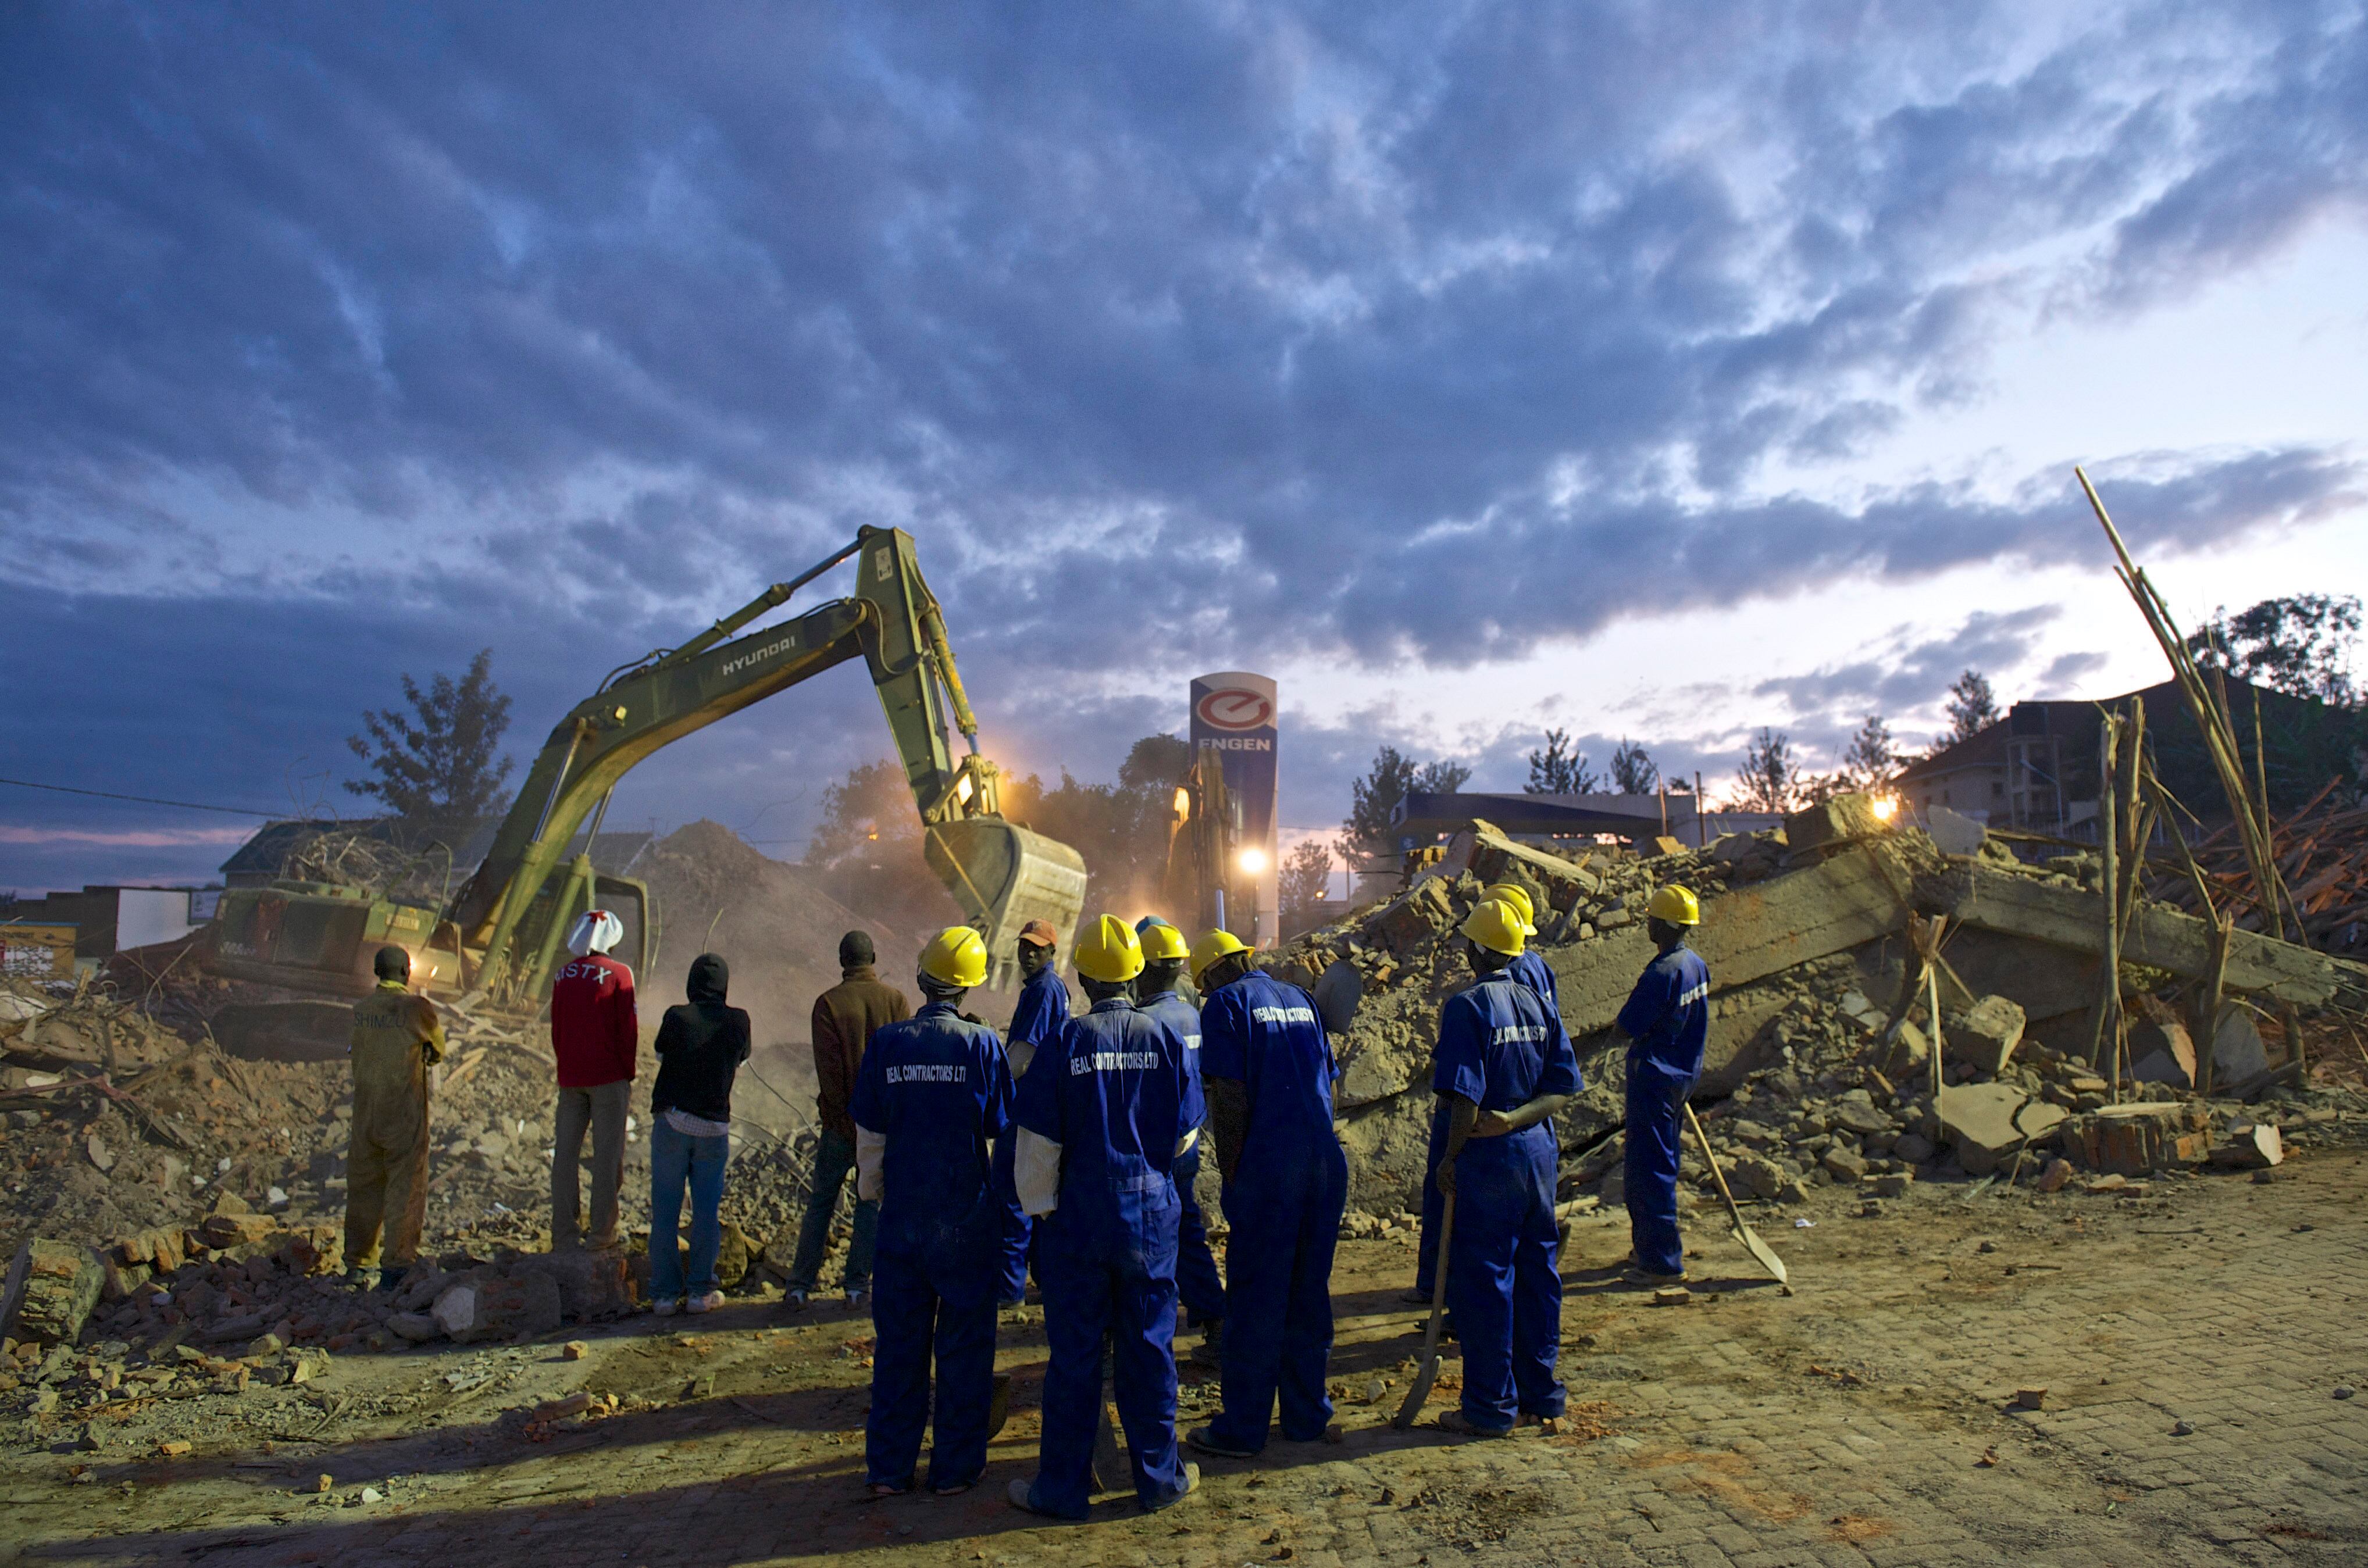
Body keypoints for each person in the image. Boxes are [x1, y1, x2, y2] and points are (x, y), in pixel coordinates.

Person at [1008, 916, 1201, 1520]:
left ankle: (1061, 1491)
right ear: (1134, 975)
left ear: (1085, 979)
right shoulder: (1163, 1037)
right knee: (1150, 1349)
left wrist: (1045, 1214)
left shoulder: (1064, 1042)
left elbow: (1037, 1149)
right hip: (1150, 1219)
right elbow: (1184, 1136)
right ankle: (1160, 1481)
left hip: (1080, 1221)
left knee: (1075, 1357)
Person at [853, 926, 1012, 1497]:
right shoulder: (982, 1044)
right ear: (967, 988)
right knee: (965, 1349)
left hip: (902, 1219)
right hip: (965, 1218)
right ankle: (956, 1470)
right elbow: (998, 1124)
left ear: (921, 979)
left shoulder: (888, 1043)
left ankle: (889, 1471)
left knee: (899, 1349)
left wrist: (877, 1193)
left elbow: (870, 1134)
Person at [1185, 928, 1347, 1460]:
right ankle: (1306, 1416)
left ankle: (1243, 1428)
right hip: (1323, 1160)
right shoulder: (1300, 997)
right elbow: (1330, 1081)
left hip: (1270, 1166)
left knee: (1256, 1297)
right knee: (1308, 1291)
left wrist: (1233, 1169)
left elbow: (1229, 1097)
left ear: (1212, 973)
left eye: (1204, 985)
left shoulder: (1226, 1006)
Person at [1431, 898, 1582, 1437]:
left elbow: (1464, 1099)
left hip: (1490, 1160)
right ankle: (1541, 1394)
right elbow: (1562, 1088)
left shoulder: (1468, 1006)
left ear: (1476, 950)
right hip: (1537, 1153)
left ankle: (1490, 1406)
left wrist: (1450, 1158)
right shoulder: (1538, 1002)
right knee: (1539, 1273)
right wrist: (1518, 1119)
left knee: (1486, 1279)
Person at [1412, 880, 1556, 1305]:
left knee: (1477, 1234)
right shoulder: (1538, 972)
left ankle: (1449, 1296)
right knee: (1527, 1247)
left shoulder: (1484, 996)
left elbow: (1468, 1082)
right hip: (1528, 1115)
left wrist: (1454, 1149)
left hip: (1485, 1117)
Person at [785, 931, 910, 1310]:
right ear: (873, 958)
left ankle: (800, 1285)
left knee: (821, 1202)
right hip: (881, 1126)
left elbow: (830, 1073)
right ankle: (857, 1286)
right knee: (869, 1203)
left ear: (842, 961)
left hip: (840, 1128)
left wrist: (840, 1119)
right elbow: (901, 1067)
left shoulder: (828, 1004)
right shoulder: (896, 1001)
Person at [1132, 917, 1224, 1360]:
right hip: (1188, 1142)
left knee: (1143, 1242)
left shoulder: (1144, 1022)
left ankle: (1141, 1336)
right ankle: (1214, 1320)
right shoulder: (1190, 1013)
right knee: (1188, 1230)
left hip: (1150, 1151)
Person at [1610, 885, 1711, 1285]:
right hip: (1682, 1075)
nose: (1647, 923)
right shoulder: (1695, 965)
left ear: (1666, 925)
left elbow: (1627, 1026)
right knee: (1662, 1163)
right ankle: (1649, 1247)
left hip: (1655, 1081)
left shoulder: (1661, 973)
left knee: (1648, 1171)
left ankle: (1661, 1263)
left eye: (1652, 918)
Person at [647, 953, 751, 1316]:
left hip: (673, 1124)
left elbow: (660, 1054)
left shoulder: (676, 1017)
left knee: (665, 1211)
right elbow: (741, 1059)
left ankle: (664, 1295)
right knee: (706, 1213)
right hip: (713, 1131)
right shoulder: (738, 1021)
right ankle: (700, 1293)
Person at [343, 945, 445, 1292]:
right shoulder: (417, 1009)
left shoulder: (361, 1010)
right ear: (406, 972)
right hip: (403, 1115)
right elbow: (438, 1050)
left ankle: (357, 1265)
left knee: (363, 1188)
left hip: (366, 1115)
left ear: (376, 971)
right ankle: (396, 1269)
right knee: (405, 1187)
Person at [991, 917, 1069, 1308]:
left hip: (1026, 1108)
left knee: (1012, 1196)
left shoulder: (1044, 989)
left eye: (1037, 948)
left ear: (1052, 951)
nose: (1029, 953)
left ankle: (1009, 1291)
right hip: (1042, 1108)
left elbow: (1024, 1056)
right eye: (1025, 946)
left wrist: (993, 1084)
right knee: (1036, 1198)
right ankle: (1045, 1279)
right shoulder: (1048, 987)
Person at [549, 909, 638, 1253]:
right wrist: (627, 1072)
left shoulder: (563, 975)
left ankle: (564, 1233)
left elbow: (557, 1028)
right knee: (607, 1155)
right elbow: (627, 1030)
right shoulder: (620, 974)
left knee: (565, 1154)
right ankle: (601, 1233)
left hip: (571, 1079)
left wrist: (566, 1067)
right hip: (608, 1078)